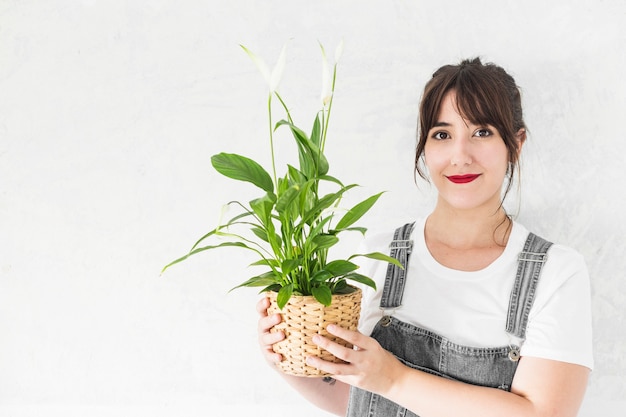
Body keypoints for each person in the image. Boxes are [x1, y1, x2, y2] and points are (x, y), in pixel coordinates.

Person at [256, 57, 593, 417]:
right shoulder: (380, 252)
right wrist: (285, 356)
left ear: (516, 143)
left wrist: (394, 379)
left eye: (482, 132)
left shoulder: (555, 272)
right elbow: (355, 400)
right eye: (442, 135)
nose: (460, 156)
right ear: (425, 146)